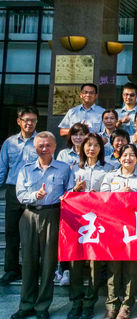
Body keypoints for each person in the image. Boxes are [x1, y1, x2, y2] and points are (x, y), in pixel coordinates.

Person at [12, 132, 73, 319]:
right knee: (29, 262)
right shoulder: (25, 169)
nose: (44, 149)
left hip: (52, 215)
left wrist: (68, 195)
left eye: (48, 145)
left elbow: (70, 189)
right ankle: (26, 304)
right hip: (29, 214)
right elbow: (20, 193)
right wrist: (34, 196)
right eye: (40, 146)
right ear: (35, 148)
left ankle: (42, 307)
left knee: (48, 263)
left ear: (55, 147)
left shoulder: (64, 168)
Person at [100, 144, 137, 319]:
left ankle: (126, 304)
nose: (128, 158)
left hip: (134, 228)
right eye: (125, 155)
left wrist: (134, 194)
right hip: (114, 228)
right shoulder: (110, 176)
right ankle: (112, 304)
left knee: (131, 268)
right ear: (119, 158)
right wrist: (120, 194)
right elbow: (102, 198)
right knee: (113, 267)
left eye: (132, 155)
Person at [68, 132, 111, 319]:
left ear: (101, 148)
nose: (91, 148)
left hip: (98, 222)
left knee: (95, 263)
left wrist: (99, 195)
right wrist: (74, 191)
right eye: (88, 145)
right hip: (76, 222)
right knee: (75, 262)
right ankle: (76, 301)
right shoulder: (73, 169)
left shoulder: (108, 169)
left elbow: (111, 193)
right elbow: (64, 194)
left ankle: (90, 302)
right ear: (82, 147)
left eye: (95, 145)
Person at [0, 106, 39, 286]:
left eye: (32, 120)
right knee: (11, 231)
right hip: (13, 190)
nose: (29, 123)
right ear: (19, 121)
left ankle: (32, 268)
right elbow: (3, 168)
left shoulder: (41, 141)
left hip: (34, 192)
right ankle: (12, 269)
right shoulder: (9, 143)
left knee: (33, 234)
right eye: (26, 120)